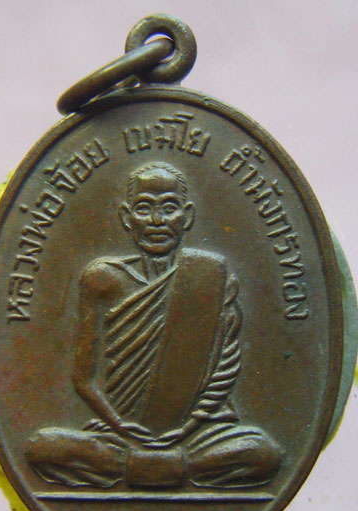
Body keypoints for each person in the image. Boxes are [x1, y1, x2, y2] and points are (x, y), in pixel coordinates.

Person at [26, 162, 282, 489]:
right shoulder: (102, 279)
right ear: (126, 217)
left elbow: (225, 369)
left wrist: (188, 427)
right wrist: (120, 426)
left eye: (169, 208)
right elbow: (84, 378)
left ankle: (142, 467)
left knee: (264, 454)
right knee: (42, 448)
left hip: (200, 432)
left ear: (187, 216)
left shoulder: (213, 277)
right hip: (120, 433)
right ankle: (170, 467)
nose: (157, 221)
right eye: (145, 208)